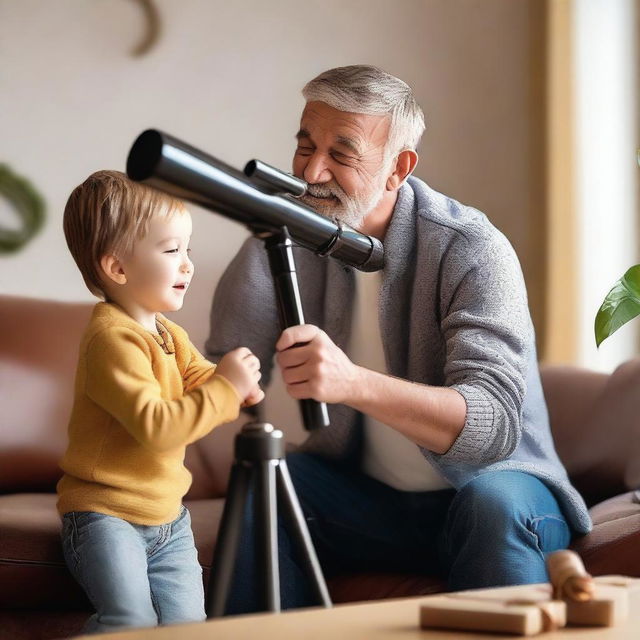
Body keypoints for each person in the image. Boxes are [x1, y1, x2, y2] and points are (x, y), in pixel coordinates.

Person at [206, 65, 591, 613]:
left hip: (499, 489)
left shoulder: (471, 248)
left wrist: (352, 383)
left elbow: (493, 425)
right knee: (270, 483)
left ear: (398, 168)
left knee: (491, 503)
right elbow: (220, 366)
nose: (313, 170)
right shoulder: (285, 237)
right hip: (372, 503)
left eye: (342, 154)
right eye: (305, 145)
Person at [57, 170, 263, 633]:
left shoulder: (166, 332)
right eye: (172, 251)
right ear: (118, 269)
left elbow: (199, 376)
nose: (187, 264)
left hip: (169, 518)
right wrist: (225, 389)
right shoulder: (112, 339)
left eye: (186, 249)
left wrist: (236, 383)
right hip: (105, 516)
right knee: (128, 621)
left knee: (186, 627)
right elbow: (158, 426)